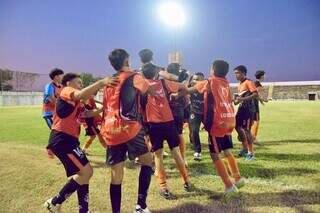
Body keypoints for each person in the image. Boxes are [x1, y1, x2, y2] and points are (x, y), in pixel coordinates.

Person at [44, 73, 118, 213]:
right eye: (79, 82)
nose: (81, 85)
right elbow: (79, 95)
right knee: (86, 172)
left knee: (84, 174)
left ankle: (83, 210)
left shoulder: (77, 101)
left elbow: (86, 114)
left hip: (69, 140)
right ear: (68, 83)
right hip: (62, 139)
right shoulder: (66, 91)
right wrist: (101, 82)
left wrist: (104, 108)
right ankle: (54, 202)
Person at [100, 49, 155, 213]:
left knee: (116, 174)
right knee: (147, 161)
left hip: (110, 128)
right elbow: (148, 90)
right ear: (127, 60)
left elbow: (106, 107)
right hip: (129, 127)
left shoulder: (109, 81)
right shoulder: (134, 76)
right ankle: (140, 205)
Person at [189, 60, 245, 202]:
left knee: (215, 155)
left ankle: (229, 185)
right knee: (226, 151)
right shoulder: (225, 82)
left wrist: (177, 93)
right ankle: (238, 178)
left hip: (217, 123)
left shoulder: (210, 81)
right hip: (228, 120)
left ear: (213, 69)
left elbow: (189, 90)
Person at [141, 63, 192, 200]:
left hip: (153, 125)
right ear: (156, 73)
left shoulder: (142, 86)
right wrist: (176, 95)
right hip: (169, 122)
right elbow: (184, 87)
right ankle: (186, 181)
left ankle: (164, 188)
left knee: (158, 156)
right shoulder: (164, 83)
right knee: (175, 151)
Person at [165, 63, 189, 164]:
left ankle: (158, 157)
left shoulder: (164, 82)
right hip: (178, 111)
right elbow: (186, 100)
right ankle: (182, 158)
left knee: (160, 135)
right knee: (179, 134)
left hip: (165, 111)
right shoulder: (181, 84)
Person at [233, 65, 258, 161]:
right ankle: (244, 148)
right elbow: (239, 99)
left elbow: (255, 94)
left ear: (243, 73)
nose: (236, 75)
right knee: (237, 127)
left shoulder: (249, 82)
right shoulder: (240, 84)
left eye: (238, 73)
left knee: (247, 130)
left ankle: (250, 153)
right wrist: (235, 100)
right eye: (235, 73)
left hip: (248, 109)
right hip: (241, 108)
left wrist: (242, 99)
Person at [188, 72, 205, 161]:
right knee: (194, 131)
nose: (195, 81)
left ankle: (215, 149)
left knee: (212, 131)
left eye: (198, 79)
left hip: (206, 112)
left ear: (203, 81)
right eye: (194, 79)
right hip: (194, 112)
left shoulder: (207, 88)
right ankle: (197, 151)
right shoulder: (190, 87)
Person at [251, 70, 268, 143]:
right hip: (254, 105)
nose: (265, 76)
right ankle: (253, 138)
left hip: (250, 104)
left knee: (252, 121)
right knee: (256, 121)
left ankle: (250, 137)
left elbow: (255, 94)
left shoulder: (254, 83)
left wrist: (261, 101)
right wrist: (265, 100)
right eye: (264, 75)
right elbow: (256, 96)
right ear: (261, 76)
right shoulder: (258, 84)